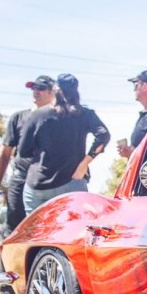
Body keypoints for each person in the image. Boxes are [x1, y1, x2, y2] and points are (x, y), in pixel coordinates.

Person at [0, 74, 57, 294]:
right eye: (33, 88)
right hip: (20, 180)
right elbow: (5, 152)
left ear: (53, 91)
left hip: (51, 182)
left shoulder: (62, 117)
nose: (36, 92)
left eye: (41, 88)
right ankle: (8, 291)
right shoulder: (19, 118)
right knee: (13, 233)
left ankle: (46, 290)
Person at [18, 73, 110, 214]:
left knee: (36, 234)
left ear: (55, 89)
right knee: (74, 232)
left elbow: (23, 151)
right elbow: (103, 135)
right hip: (72, 182)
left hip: (38, 185)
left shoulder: (38, 115)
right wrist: (84, 163)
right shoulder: (85, 114)